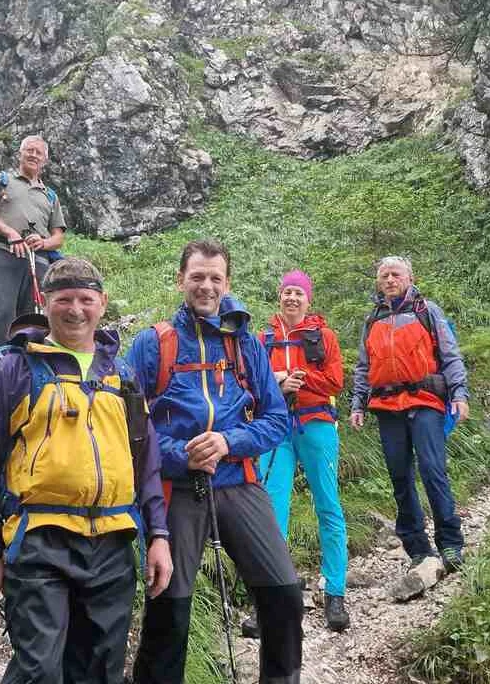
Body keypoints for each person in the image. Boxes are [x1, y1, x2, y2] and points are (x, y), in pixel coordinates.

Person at [0, 257, 172, 684]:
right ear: (46, 302)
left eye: (86, 299)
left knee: (99, 669)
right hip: (40, 539)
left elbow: (145, 461)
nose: (76, 309)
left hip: (113, 543)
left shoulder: (121, 374)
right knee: (40, 670)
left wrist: (158, 536)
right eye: (65, 299)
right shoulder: (18, 369)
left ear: (102, 303)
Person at [128, 239, 303, 684]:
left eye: (215, 278)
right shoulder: (154, 345)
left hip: (238, 479)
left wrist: (228, 441)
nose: (206, 286)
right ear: (180, 279)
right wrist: (178, 454)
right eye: (197, 277)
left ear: (227, 284)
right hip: (178, 487)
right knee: (170, 607)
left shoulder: (245, 344)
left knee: (284, 595)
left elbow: (276, 419)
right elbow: (128, 427)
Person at [348, 256, 471, 573]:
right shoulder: (372, 319)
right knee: (400, 477)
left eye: (395, 274)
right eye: (384, 275)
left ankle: (451, 544)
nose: (390, 280)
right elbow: (364, 368)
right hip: (387, 408)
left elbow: (450, 355)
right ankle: (417, 548)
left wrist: (459, 394)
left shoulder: (427, 311)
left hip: (424, 400)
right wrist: (358, 404)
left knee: (433, 471)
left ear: (409, 277)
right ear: (379, 282)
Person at [254, 269, 350, 633]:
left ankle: (335, 593)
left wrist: (301, 377)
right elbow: (254, 384)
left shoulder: (323, 336)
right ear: (279, 297)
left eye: (298, 292)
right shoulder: (263, 338)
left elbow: (336, 380)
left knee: (328, 504)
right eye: (287, 292)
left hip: (317, 425)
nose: (291, 298)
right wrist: (279, 381)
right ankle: (270, 600)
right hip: (276, 430)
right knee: (271, 510)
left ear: (308, 300)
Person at [0, 134, 67, 393]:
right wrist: (10, 232)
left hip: (38, 262)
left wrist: (43, 242)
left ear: (45, 160)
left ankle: (28, 375)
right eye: (29, 150)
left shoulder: (49, 195)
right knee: (3, 314)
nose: (33, 155)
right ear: (20, 153)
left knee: (35, 318)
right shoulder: (2, 181)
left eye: (39, 152)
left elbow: (59, 237)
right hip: (6, 253)